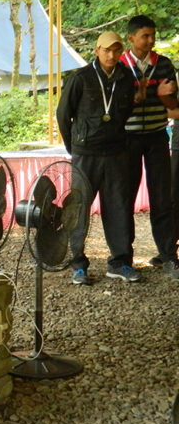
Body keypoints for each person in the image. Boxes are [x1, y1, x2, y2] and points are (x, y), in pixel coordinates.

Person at [57, 31, 136, 285]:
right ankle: (78, 265)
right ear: (96, 50)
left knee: (119, 207)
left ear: (121, 51)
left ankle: (120, 263)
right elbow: (63, 115)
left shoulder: (126, 77)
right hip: (85, 154)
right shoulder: (80, 78)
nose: (111, 55)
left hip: (115, 153)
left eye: (116, 50)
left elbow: (125, 112)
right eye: (106, 50)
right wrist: (74, 147)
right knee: (79, 208)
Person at [120, 15, 179, 279]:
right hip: (127, 139)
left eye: (153, 35)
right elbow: (115, 104)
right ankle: (123, 259)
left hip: (157, 136)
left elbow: (173, 105)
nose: (151, 40)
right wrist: (138, 97)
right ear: (131, 38)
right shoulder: (120, 66)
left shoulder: (164, 64)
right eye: (145, 36)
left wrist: (166, 96)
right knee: (124, 198)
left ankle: (168, 257)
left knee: (162, 198)